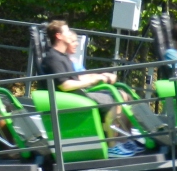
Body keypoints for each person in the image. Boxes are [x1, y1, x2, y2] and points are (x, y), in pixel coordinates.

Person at [42, 20, 138, 157]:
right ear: (59, 36)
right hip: (71, 98)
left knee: (123, 94)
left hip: (77, 94)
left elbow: (77, 79)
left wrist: (99, 76)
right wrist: (94, 80)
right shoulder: (53, 58)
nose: (70, 34)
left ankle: (124, 140)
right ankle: (112, 145)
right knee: (116, 99)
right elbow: (65, 85)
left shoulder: (63, 57)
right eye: (67, 31)